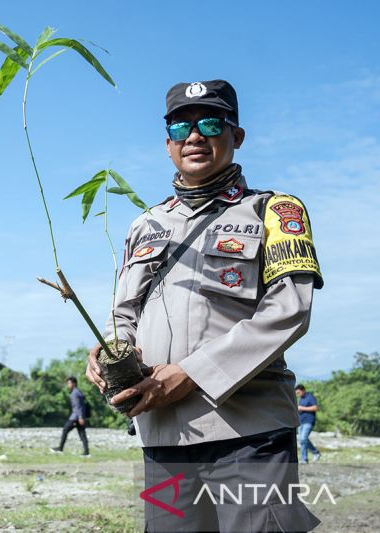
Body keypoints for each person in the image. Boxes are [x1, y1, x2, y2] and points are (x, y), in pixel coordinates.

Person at [85, 80, 324, 532]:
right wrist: (112, 351)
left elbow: (289, 310)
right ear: (168, 144)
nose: (195, 136)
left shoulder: (274, 211)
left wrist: (190, 372)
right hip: (163, 436)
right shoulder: (145, 224)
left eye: (211, 123)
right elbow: (124, 315)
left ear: (236, 136)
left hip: (248, 433)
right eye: (181, 127)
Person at [51, 376, 90, 456]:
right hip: (78, 416)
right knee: (82, 434)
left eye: (69, 383)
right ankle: (86, 452)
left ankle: (60, 448)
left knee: (65, 430)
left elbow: (78, 406)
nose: (68, 385)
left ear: (74, 383)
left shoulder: (75, 393)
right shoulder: (77, 392)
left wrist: (80, 417)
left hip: (76, 417)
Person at [296, 384, 322, 463]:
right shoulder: (301, 399)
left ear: (303, 390)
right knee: (302, 440)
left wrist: (301, 408)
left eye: (298, 392)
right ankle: (304, 459)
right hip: (301, 422)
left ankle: (316, 453)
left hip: (309, 421)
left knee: (303, 438)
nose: (298, 394)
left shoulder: (310, 397)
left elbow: (315, 408)